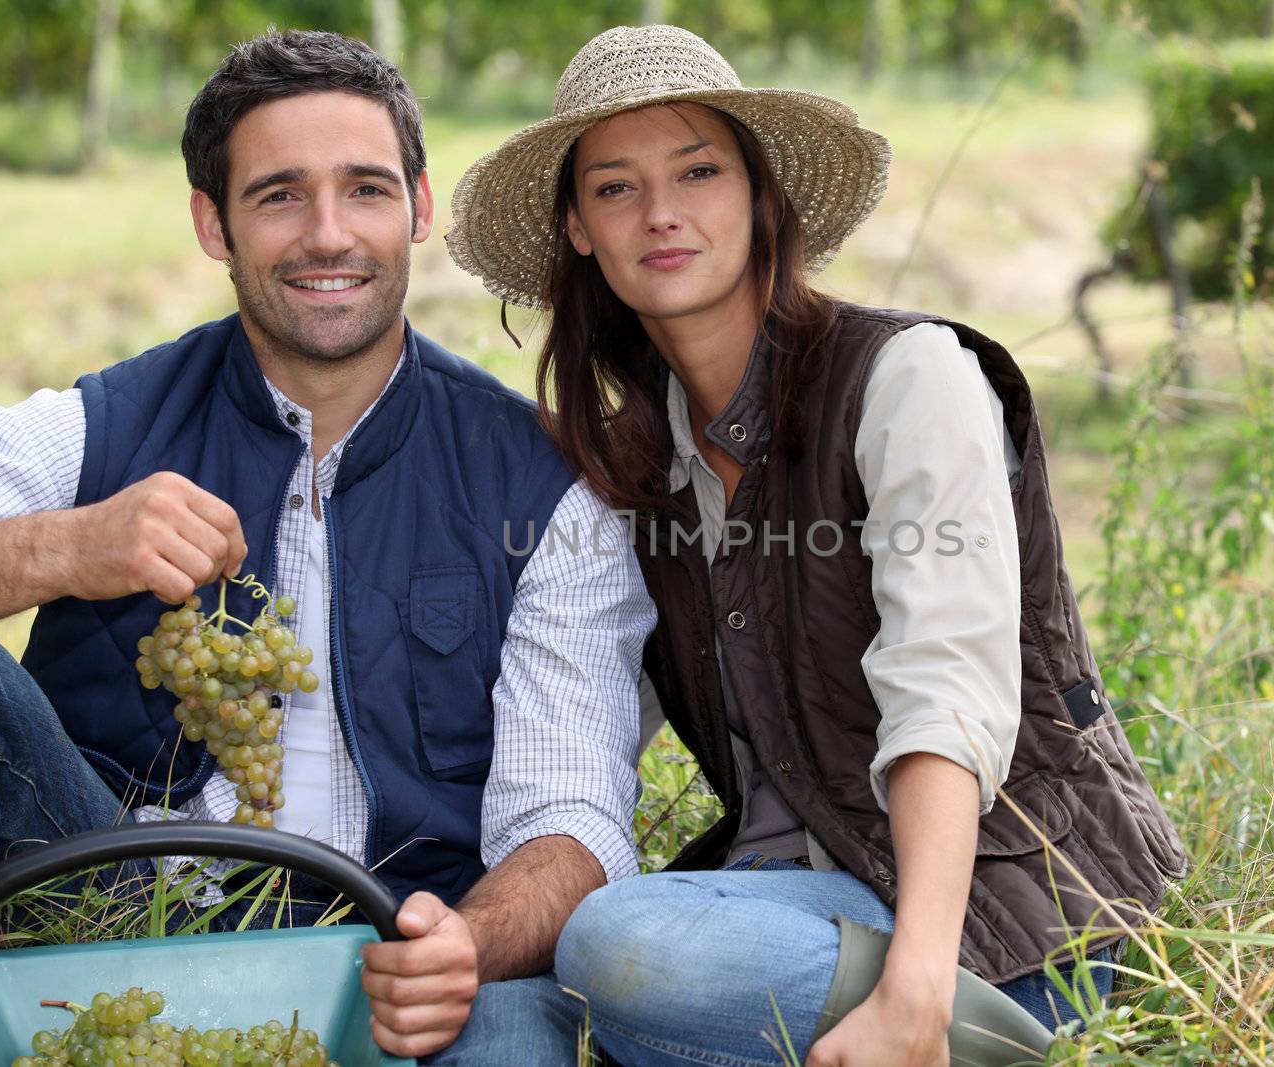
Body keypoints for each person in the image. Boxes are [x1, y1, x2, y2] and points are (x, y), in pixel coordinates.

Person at [447, 23, 1190, 1067]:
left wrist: (917, 988)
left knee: (615, 942)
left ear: (760, 195)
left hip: (996, 917)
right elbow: (575, 716)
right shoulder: (631, 464)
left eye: (697, 171)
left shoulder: (905, 378)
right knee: (508, 1004)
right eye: (615, 188)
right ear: (578, 228)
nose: (660, 212)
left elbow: (947, 687)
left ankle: (981, 1045)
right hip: (787, 909)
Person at [0, 29, 654, 1065]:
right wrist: (59, 546)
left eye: (363, 189)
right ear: (212, 224)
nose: (327, 234)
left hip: (394, 939)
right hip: (113, 909)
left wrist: (464, 944)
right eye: (277, 195)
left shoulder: (542, 485)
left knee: (509, 1046)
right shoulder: (108, 422)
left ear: (417, 205)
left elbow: (571, 813)